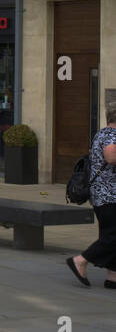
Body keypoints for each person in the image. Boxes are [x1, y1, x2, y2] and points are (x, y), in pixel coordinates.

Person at [67, 102, 116, 287]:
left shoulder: (102, 133)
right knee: (112, 236)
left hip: (102, 194)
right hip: (110, 195)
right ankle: (80, 260)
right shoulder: (112, 136)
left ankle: (112, 277)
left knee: (110, 235)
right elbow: (111, 157)